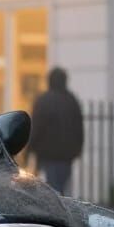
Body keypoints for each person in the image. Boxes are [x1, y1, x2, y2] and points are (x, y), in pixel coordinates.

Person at [28, 67, 84, 195]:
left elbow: (36, 128)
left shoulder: (43, 101)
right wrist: (77, 149)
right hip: (66, 156)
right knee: (62, 188)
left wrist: (29, 149)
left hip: (47, 155)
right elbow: (79, 129)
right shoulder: (72, 100)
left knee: (52, 190)